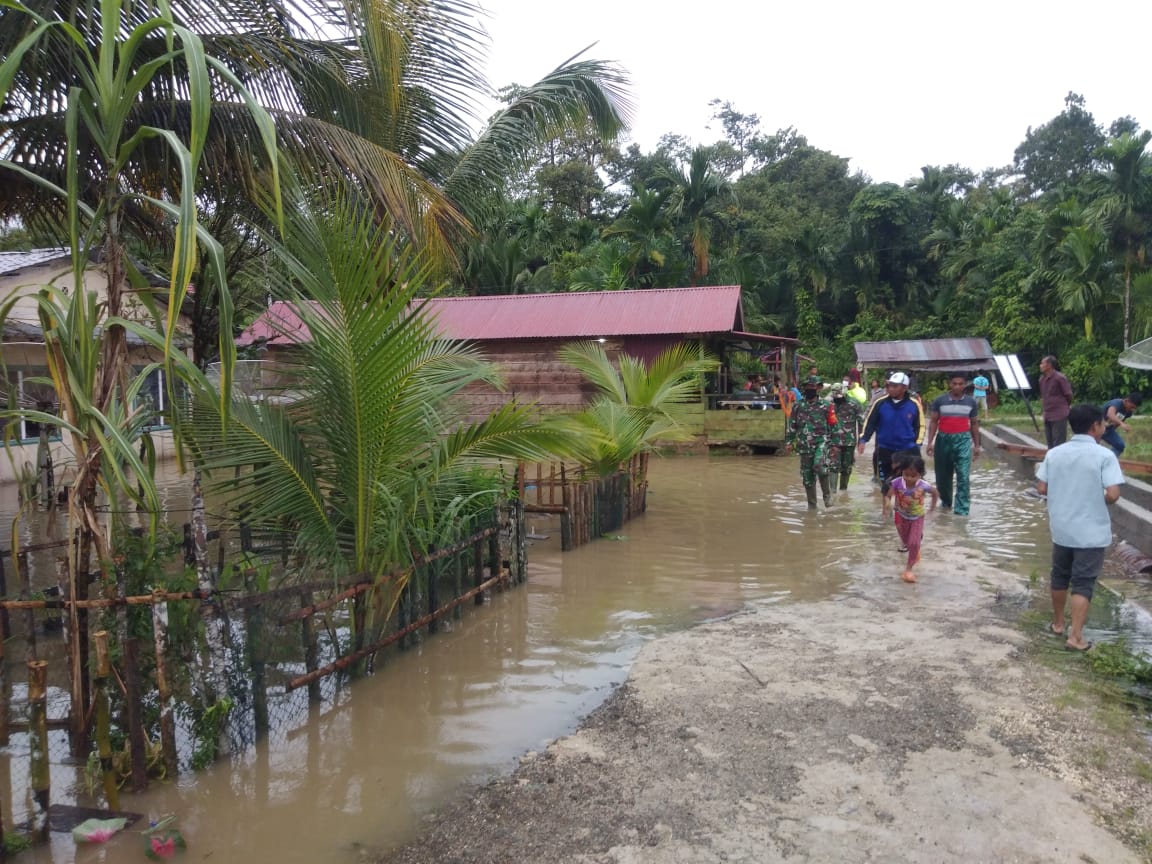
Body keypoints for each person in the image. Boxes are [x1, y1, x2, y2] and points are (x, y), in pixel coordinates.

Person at [1035, 404, 1124, 652]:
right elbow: (1113, 494)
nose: (1104, 427)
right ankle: (1075, 637)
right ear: (1095, 426)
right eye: (1103, 423)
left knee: (1059, 576)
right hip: (1090, 532)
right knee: (1083, 582)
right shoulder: (1105, 456)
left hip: (1062, 528)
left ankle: (1058, 624)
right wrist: (1096, 496)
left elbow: (1042, 488)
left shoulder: (1055, 453)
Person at [857, 372, 925, 495]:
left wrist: (918, 444)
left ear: (904, 388)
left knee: (910, 485)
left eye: (895, 386)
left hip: (908, 450)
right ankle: (886, 506)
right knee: (886, 485)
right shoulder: (880, 403)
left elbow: (920, 426)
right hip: (885, 450)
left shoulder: (914, 404)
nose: (890, 389)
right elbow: (870, 422)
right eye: (889, 386)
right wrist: (863, 440)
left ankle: (906, 506)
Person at [926, 373, 981, 515]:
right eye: (954, 383)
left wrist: (977, 445)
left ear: (965, 385)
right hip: (943, 439)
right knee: (943, 476)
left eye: (960, 384)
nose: (957, 386)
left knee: (963, 475)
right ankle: (946, 504)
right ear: (949, 384)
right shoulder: (940, 401)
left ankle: (961, 510)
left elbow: (974, 424)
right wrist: (930, 442)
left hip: (963, 440)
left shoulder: (971, 402)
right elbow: (933, 422)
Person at [883, 453, 938, 583]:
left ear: (920, 474)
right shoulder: (897, 483)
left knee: (913, 543)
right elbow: (888, 495)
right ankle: (915, 548)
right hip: (901, 515)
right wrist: (887, 504)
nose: (909, 478)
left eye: (913, 476)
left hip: (917, 517)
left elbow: (935, 493)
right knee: (906, 541)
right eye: (906, 474)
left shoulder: (923, 485)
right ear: (902, 472)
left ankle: (908, 570)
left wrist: (932, 509)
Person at [785, 375, 837, 509]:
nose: (810, 389)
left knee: (820, 467)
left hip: (821, 442)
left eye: (812, 386)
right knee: (808, 478)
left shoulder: (826, 405)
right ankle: (812, 508)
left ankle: (827, 497)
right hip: (804, 445)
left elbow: (833, 425)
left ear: (818, 388)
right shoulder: (798, 406)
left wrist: (834, 444)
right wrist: (789, 442)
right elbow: (792, 425)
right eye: (807, 386)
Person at [829, 382, 864, 490]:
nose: (837, 399)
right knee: (833, 467)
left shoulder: (854, 403)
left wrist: (861, 440)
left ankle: (843, 491)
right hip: (833, 441)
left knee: (847, 468)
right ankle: (833, 493)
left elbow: (861, 422)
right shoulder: (829, 403)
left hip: (849, 441)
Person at [1039, 355, 1073, 448]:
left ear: (1049, 365)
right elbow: (1043, 396)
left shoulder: (1059, 378)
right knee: (1050, 442)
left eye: (1042, 363)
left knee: (1058, 442)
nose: (1040, 365)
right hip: (1048, 414)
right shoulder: (1042, 379)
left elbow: (1068, 394)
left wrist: (1065, 406)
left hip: (1059, 414)